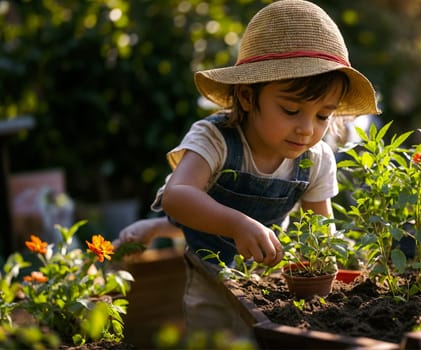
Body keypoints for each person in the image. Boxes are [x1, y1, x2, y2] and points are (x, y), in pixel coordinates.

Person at [116, 0, 379, 337]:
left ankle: (166, 229)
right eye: (290, 109)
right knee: (211, 332)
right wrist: (238, 224)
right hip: (208, 264)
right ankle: (161, 229)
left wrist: (332, 263)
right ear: (246, 97)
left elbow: (320, 227)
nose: (307, 129)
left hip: (262, 268)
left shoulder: (316, 158)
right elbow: (178, 196)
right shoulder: (215, 138)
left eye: (323, 116)